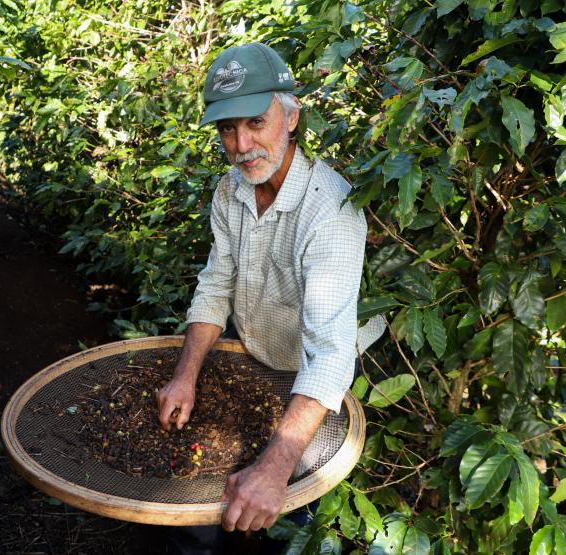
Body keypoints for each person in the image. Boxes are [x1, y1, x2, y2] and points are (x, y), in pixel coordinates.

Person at [156, 41, 371, 542]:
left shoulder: (330, 211)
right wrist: (185, 376)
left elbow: (330, 356)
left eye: (256, 123)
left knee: (287, 506)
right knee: (210, 498)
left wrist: (275, 468)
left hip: (315, 373)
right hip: (257, 352)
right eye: (227, 129)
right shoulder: (231, 189)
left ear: (291, 118)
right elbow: (216, 284)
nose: (241, 145)